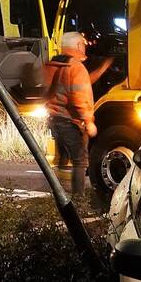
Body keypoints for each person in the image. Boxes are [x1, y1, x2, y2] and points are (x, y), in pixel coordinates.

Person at [44, 32, 112, 198]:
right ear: (76, 46)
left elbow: (80, 82)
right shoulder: (76, 68)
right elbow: (79, 96)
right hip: (70, 121)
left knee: (62, 161)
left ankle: (56, 191)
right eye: (82, 43)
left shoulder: (55, 64)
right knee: (80, 161)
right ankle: (78, 198)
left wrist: (102, 69)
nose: (85, 46)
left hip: (55, 118)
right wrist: (89, 122)